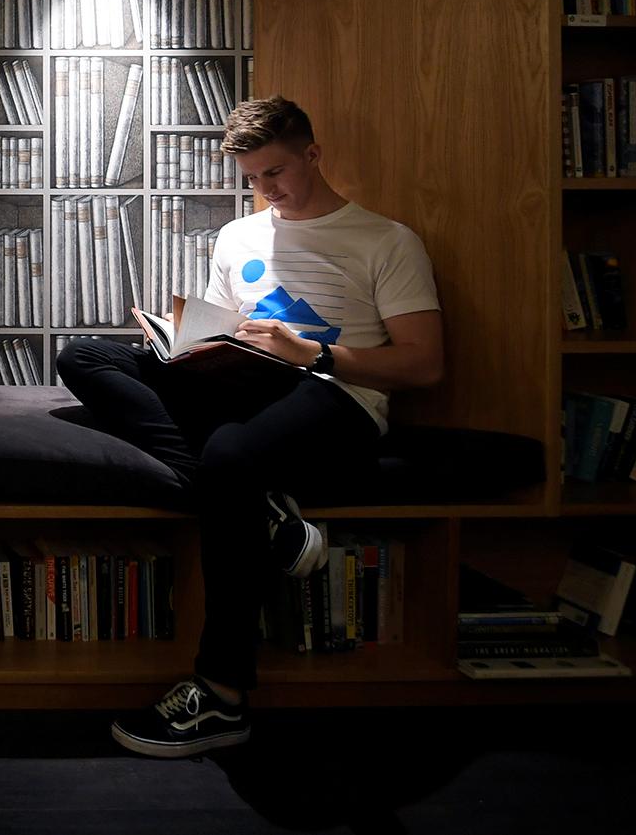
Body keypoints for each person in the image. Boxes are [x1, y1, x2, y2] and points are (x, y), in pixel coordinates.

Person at [56, 96, 444, 757]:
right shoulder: (238, 237)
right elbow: (228, 332)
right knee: (83, 355)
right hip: (247, 381)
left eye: (274, 173)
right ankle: (266, 514)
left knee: (230, 454)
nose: (265, 190)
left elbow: (424, 363)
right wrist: (180, 340)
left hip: (337, 392)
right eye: (252, 179)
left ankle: (222, 694)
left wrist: (311, 352)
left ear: (312, 155)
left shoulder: (385, 239)